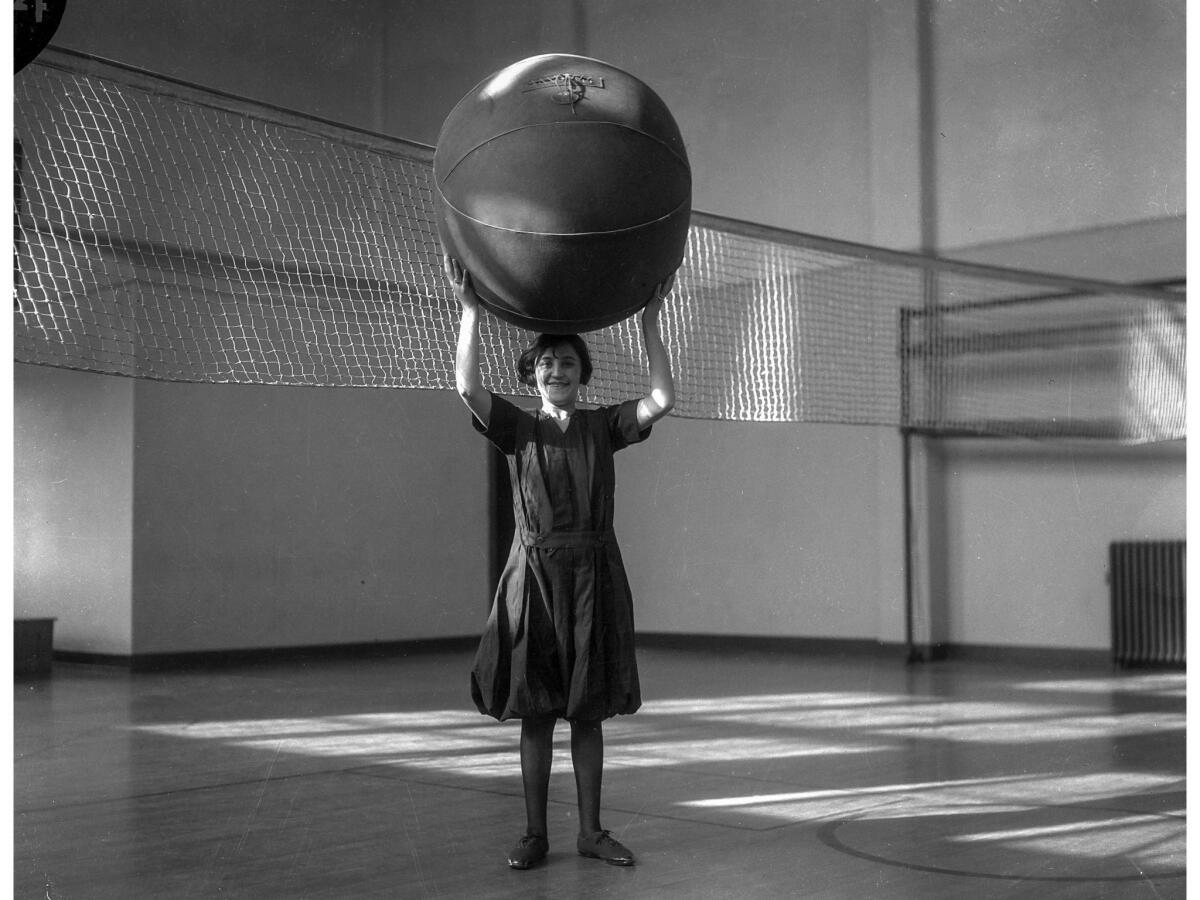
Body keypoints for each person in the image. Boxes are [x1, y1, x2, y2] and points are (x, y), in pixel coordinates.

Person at [445, 255, 676, 870]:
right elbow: (467, 387)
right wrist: (470, 312)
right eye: (546, 362)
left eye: (568, 362)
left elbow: (662, 397)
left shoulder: (604, 426)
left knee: (588, 710)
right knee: (538, 709)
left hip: (594, 577)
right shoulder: (517, 427)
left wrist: (652, 318)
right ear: (532, 374)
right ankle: (534, 833)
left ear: (582, 374)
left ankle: (592, 832)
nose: (556, 369)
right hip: (534, 579)